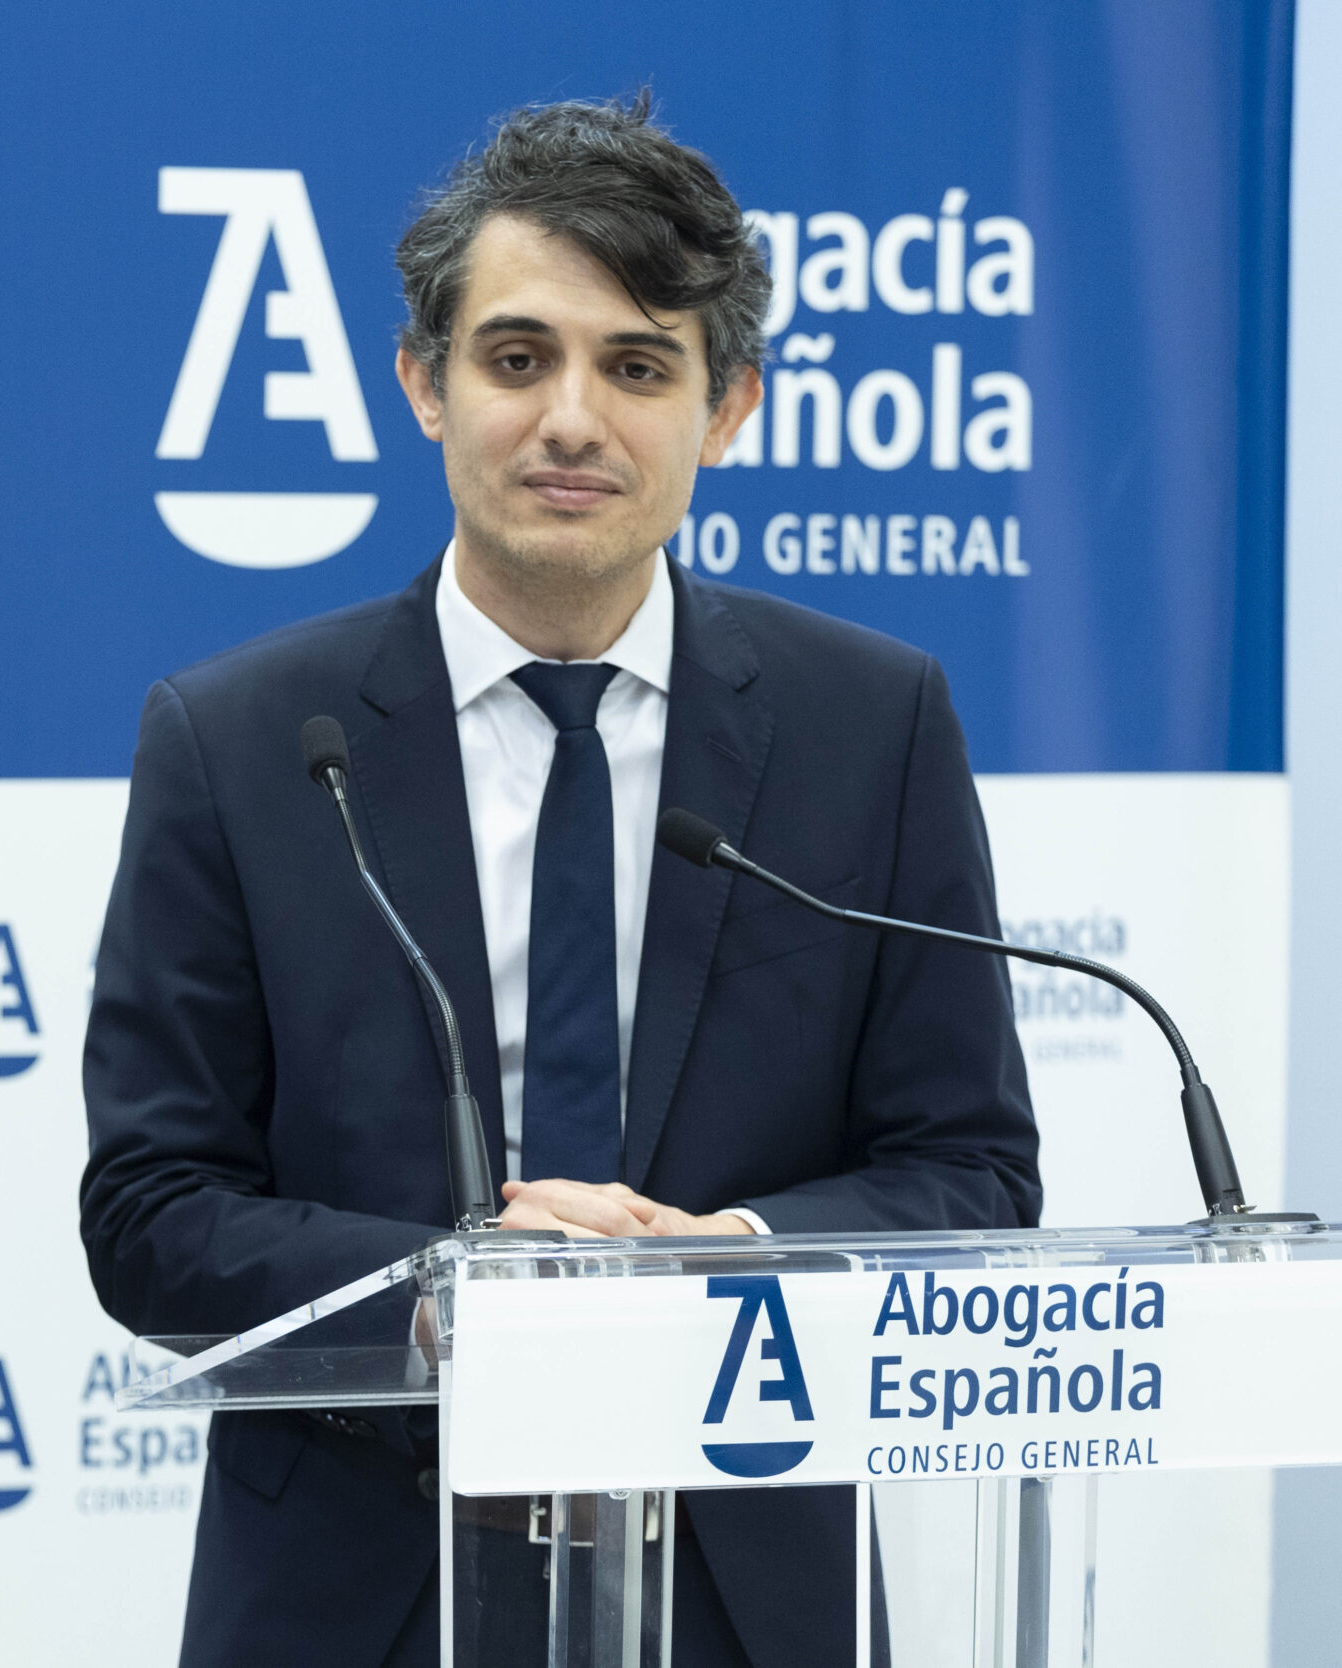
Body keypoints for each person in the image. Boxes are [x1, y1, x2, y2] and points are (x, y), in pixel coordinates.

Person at [79, 95, 1038, 1668]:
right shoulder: (245, 741)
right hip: (358, 1590)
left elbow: (973, 1175)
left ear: (728, 408)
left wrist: (727, 1260)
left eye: (638, 367)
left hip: (749, 1587)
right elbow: (150, 1212)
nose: (572, 420)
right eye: (517, 359)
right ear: (424, 385)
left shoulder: (873, 726)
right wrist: (454, 1294)